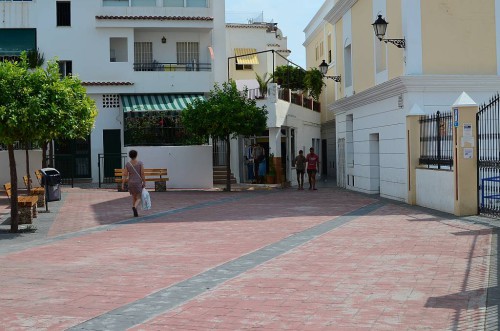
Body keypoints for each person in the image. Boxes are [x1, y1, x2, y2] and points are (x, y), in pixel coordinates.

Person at [122, 150, 146, 217]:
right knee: (139, 197)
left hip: (131, 183)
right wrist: (144, 182)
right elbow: (142, 174)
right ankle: (134, 207)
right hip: (138, 182)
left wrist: (123, 184)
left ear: (129, 156)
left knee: (134, 197)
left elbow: (125, 174)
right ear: (136, 155)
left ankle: (135, 212)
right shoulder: (140, 163)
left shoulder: (128, 164)